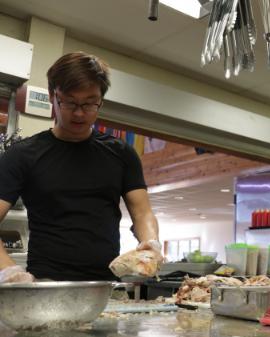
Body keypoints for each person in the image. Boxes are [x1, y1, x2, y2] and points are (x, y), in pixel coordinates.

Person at [0, 51, 161, 282]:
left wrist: (151, 242)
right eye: (69, 102)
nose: (79, 113)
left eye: (89, 104)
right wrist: (9, 270)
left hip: (105, 285)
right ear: (52, 96)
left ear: (101, 101)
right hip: (46, 285)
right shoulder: (23, 154)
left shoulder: (122, 153)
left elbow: (142, 213)